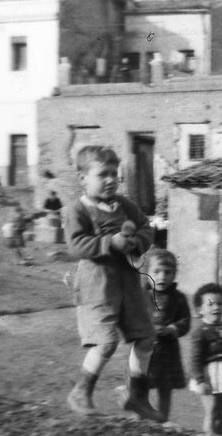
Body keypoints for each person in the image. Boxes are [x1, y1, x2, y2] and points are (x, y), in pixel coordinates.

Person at [63, 145, 163, 421]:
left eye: (114, 174)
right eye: (102, 174)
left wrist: (136, 242)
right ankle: (81, 392)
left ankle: (137, 397)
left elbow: (146, 228)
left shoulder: (126, 205)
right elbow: (76, 245)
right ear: (82, 178)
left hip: (129, 283)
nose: (110, 180)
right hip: (98, 285)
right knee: (106, 343)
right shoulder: (78, 210)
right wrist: (110, 242)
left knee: (145, 338)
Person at [140, 248, 191, 421]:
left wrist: (172, 329)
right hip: (144, 350)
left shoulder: (178, 298)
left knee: (165, 388)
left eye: (168, 272)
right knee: (141, 385)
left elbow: (185, 321)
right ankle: (138, 418)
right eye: (156, 272)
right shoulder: (141, 297)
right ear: (147, 273)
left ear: (174, 274)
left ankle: (162, 420)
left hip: (168, 351)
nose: (162, 277)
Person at [189, 283, 222, 436]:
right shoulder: (200, 332)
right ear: (200, 310)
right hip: (207, 375)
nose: (216, 307)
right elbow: (195, 359)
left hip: (221, 373)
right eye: (210, 304)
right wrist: (200, 380)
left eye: (220, 303)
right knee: (211, 410)